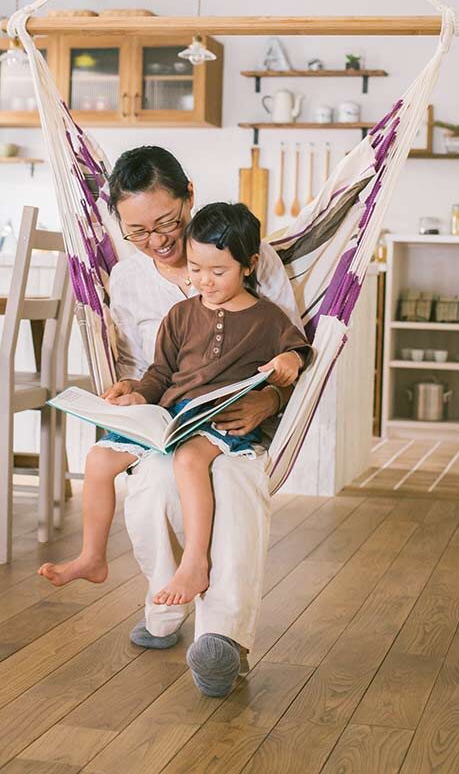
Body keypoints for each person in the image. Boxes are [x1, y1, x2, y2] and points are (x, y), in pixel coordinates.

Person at [62, 147, 303, 697]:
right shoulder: (126, 280)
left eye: (168, 222)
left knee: (234, 484)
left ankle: (221, 637)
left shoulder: (255, 257)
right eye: (138, 231)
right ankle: (164, 610)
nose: (158, 241)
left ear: (189, 195)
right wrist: (128, 393)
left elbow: (294, 347)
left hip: (236, 426)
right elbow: (138, 368)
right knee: (149, 485)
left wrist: (269, 403)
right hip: (166, 421)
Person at [38, 202, 310, 612]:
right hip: (169, 415)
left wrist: (291, 359)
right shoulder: (181, 314)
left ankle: (195, 563)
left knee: (186, 461)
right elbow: (160, 373)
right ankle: (92, 557)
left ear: (249, 265)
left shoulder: (268, 319)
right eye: (196, 269)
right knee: (97, 459)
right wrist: (136, 397)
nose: (205, 280)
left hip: (221, 419)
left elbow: (298, 352)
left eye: (218, 272)